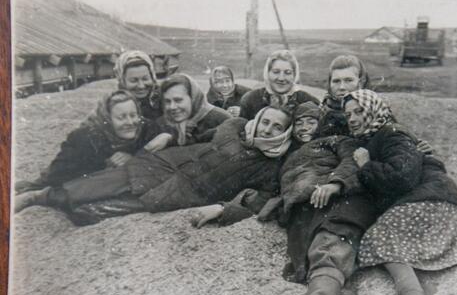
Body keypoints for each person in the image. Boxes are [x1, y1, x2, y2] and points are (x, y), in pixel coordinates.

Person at [194, 102, 378, 295]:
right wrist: (224, 209)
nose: (304, 126)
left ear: (321, 123)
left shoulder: (337, 140)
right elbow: (265, 198)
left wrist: (335, 184)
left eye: (311, 121)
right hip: (303, 210)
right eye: (299, 122)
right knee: (306, 257)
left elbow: (352, 161)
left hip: (340, 199)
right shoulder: (286, 159)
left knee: (329, 243)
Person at [14, 107, 294, 222]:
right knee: (99, 184)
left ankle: (66, 207)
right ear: (257, 120)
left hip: (186, 193)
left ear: (284, 133)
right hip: (165, 164)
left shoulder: (270, 167)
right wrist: (170, 135)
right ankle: (39, 196)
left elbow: (257, 202)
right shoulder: (233, 127)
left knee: (94, 212)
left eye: (276, 127)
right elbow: (198, 135)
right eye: (266, 121)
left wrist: (222, 210)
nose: (268, 129)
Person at [344, 89, 457, 295]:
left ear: (374, 111)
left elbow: (402, 177)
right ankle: (422, 291)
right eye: (348, 115)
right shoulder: (378, 137)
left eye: (359, 111)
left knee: (378, 236)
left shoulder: (392, 134)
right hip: (435, 199)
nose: (352, 119)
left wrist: (367, 165)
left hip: (435, 199)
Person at [14, 90, 172, 193]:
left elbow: (168, 145)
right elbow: (61, 175)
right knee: (38, 186)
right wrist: (105, 164)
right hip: (61, 172)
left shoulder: (146, 128)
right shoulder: (85, 138)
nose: (130, 122)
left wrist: (135, 157)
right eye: (121, 117)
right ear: (107, 119)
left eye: (133, 115)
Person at [239, 50, 319, 120]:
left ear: (294, 75)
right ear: (268, 73)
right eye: (276, 72)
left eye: (287, 73)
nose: (281, 78)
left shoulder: (308, 101)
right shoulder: (251, 99)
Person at [158, 73, 232, 146]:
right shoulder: (164, 123)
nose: (172, 107)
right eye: (167, 101)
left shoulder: (222, 120)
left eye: (178, 100)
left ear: (193, 98)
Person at [319, 54, 370, 136]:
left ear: (360, 82)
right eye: (336, 81)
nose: (341, 87)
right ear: (329, 83)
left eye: (349, 80)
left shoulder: (375, 113)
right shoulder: (319, 114)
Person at [114, 50, 163, 121]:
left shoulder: (164, 102)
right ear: (122, 81)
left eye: (145, 79)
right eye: (134, 80)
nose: (141, 86)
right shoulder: (114, 107)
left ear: (153, 77)